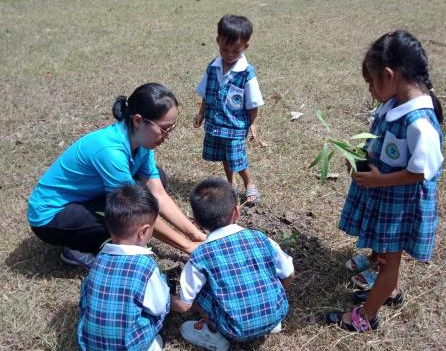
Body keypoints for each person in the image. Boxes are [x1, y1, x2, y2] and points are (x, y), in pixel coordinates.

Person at [327, 30, 444, 332]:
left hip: (401, 204)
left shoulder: (420, 123)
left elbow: (421, 171)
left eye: (371, 82)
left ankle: (366, 316)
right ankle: (386, 290)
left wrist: (380, 180)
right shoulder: (395, 103)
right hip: (388, 194)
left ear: (389, 75)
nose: (370, 90)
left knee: (391, 264)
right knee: (385, 256)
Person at [27, 83, 205, 268]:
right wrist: (188, 247)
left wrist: (196, 235)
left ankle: (86, 230)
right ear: (137, 120)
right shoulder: (110, 151)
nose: (167, 135)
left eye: (171, 128)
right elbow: (137, 212)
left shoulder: (142, 141)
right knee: (125, 227)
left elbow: (158, 194)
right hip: (50, 216)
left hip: (83, 198)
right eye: (163, 129)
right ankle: (75, 249)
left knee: (156, 180)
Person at [170, 178, 294, 350]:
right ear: (236, 211)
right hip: (278, 312)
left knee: (199, 292)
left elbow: (184, 305)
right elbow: (288, 273)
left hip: (234, 329)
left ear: (196, 223)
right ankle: (268, 320)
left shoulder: (200, 255)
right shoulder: (261, 238)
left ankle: (214, 334)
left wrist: (166, 297)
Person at [77, 183, 169, 350]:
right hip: (128, 346)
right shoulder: (146, 267)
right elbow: (158, 307)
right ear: (143, 232)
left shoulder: (99, 258)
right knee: (163, 303)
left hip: (89, 344)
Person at [193, 15, 264, 204]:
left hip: (235, 125)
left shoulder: (246, 72)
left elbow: (253, 102)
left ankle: (249, 183)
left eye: (236, 50)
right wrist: (201, 113)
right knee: (225, 157)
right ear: (218, 42)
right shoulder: (213, 67)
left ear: (246, 46)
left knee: (237, 157)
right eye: (225, 49)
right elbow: (207, 93)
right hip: (216, 123)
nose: (230, 54)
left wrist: (253, 124)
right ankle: (229, 185)